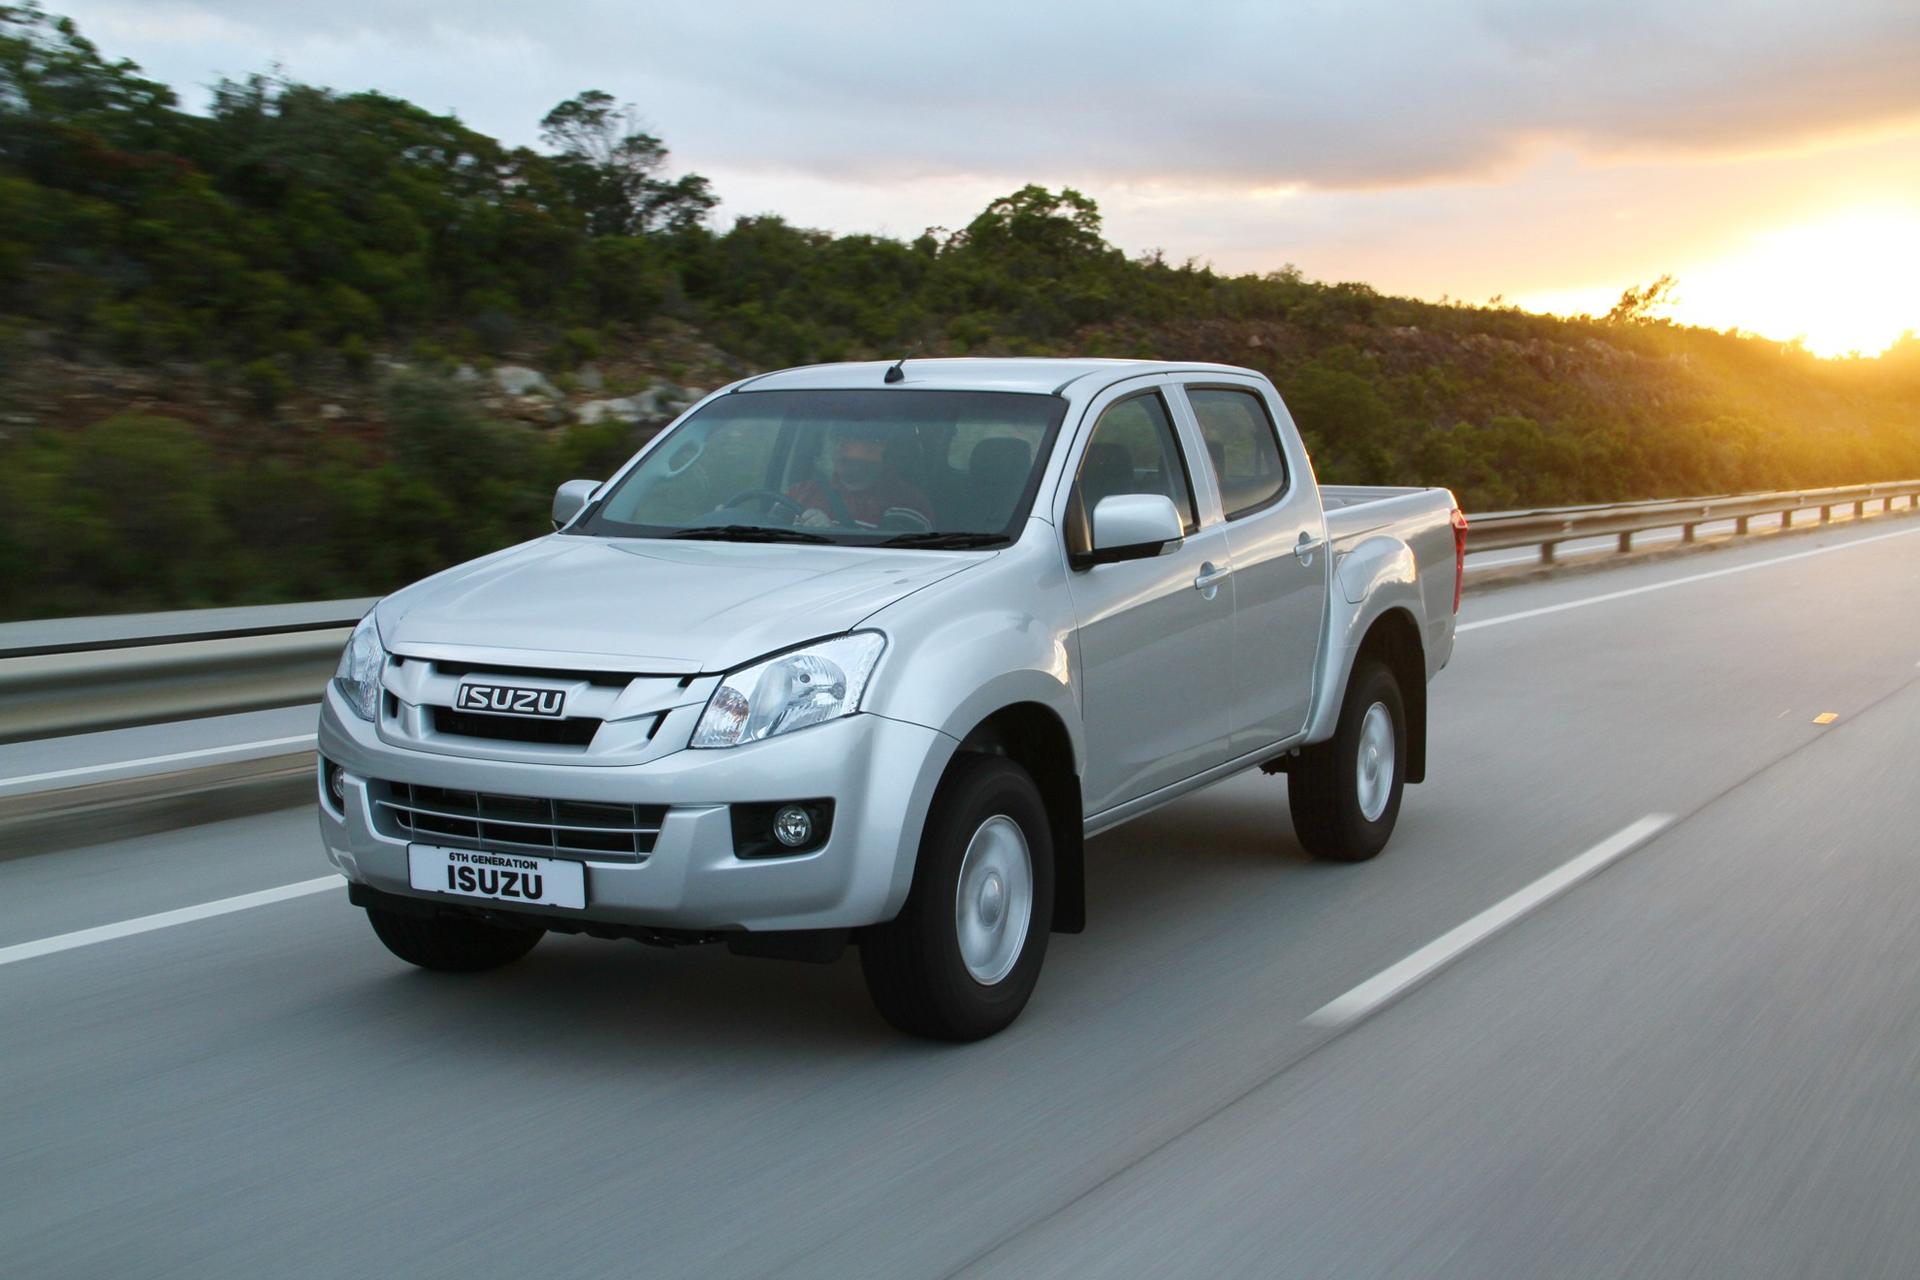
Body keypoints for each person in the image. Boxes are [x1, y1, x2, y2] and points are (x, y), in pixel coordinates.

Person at [788, 425, 933, 527]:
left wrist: (830, 533)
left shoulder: (907, 502)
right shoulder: (801, 491)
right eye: (836, 439)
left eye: (850, 440)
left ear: (877, 448)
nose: (839, 447)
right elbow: (767, 525)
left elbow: (897, 563)